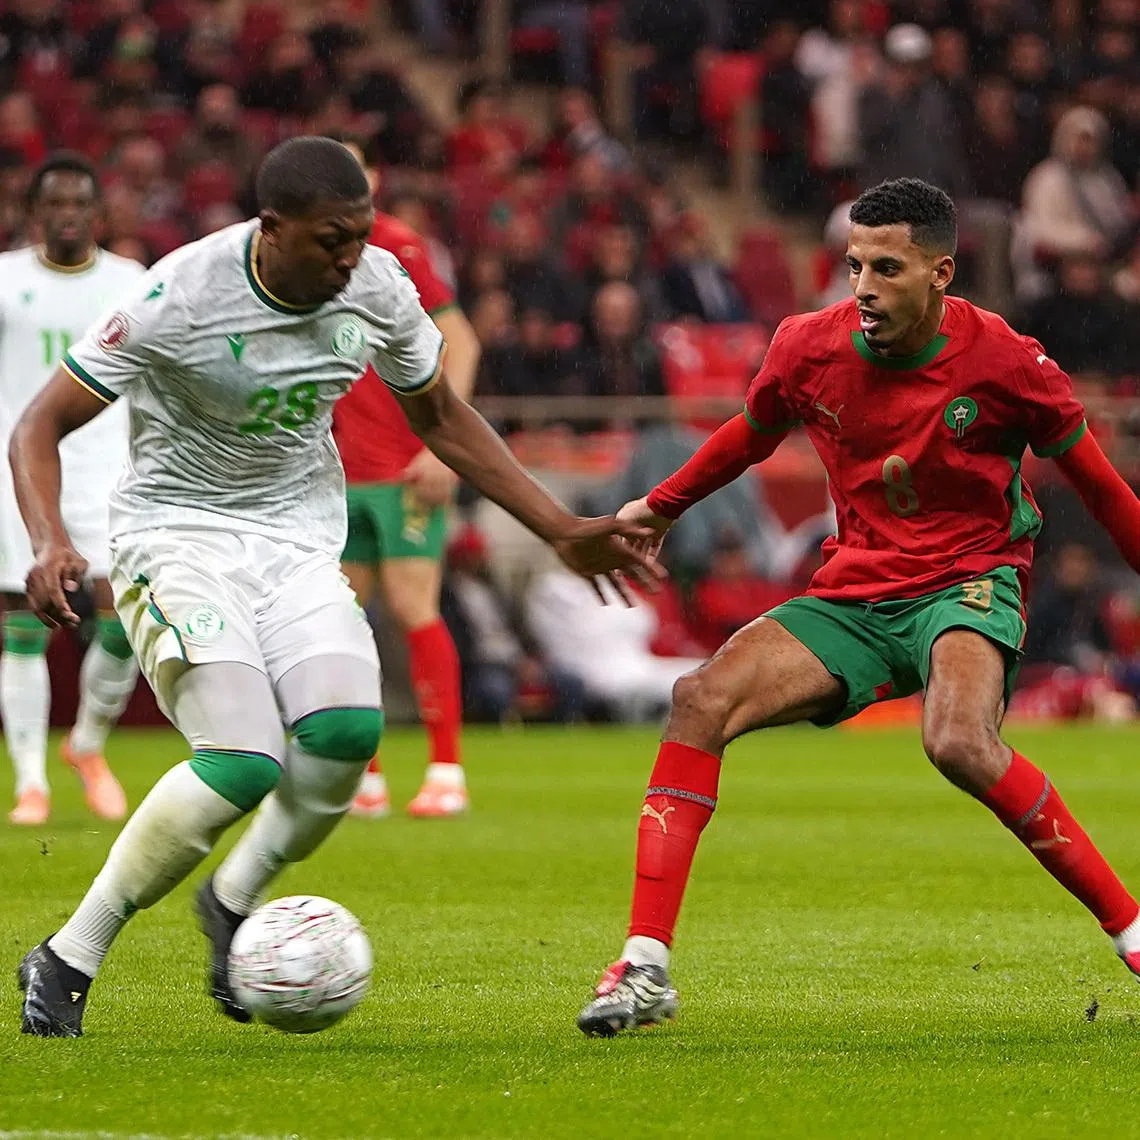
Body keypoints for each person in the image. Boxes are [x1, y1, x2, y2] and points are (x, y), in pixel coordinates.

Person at [10, 136, 660, 1038]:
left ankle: (231, 901)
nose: (351, 255)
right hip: (177, 537)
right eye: (331, 239)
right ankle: (70, 953)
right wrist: (49, 541)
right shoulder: (178, 296)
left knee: (346, 731)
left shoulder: (379, 283)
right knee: (241, 760)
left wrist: (558, 527)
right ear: (270, 229)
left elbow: (440, 413)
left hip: (296, 541)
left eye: (359, 234)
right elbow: (38, 424)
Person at [576, 178, 1140, 1037]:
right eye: (853, 267)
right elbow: (749, 433)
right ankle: (643, 967)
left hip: (968, 580)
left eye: (887, 267)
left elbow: (1101, 489)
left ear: (941, 273)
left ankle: (1131, 929)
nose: (864, 287)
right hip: (855, 591)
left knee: (956, 740)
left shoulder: (1006, 361)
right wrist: (660, 506)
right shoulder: (808, 346)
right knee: (699, 700)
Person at [332, 163, 482, 819]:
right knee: (340, 615)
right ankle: (363, 775)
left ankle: (446, 769)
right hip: (335, 470)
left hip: (403, 463)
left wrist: (439, 442)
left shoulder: (397, 243)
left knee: (412, 603)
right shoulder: (309, 249)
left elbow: (463, 341)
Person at [0, 153, 143, 826]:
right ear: (35, 214)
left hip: (109, 470)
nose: (66, 216)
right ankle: (31, 781)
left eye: (78, 205)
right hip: (24, 473)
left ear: (97, 213)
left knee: (126, 616)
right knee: (22, 625)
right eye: (53, 205)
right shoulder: (5, 282)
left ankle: (86, 746)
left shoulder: (129, 281)